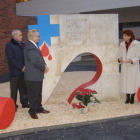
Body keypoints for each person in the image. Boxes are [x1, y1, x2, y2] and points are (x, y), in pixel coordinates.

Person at [24, 29, 50, 119]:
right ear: (32, 37)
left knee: (38, 93)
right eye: (38, 36)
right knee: (33, 94)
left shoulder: (34, 45)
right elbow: (35, 61)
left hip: (36, 75)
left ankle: (39, 108)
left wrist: (44, 65)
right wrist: (43, 68)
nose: (39, 38)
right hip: (32, 75)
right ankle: (32, 111)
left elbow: (39, 58)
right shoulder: (30, 47)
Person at [5, 29, 29, 111]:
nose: (22, 37)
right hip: (15, 72)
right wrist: (21, 67)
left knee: (24, 88)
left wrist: (26, 66)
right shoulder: (9, 45)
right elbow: (11, 59)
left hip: (24, 71)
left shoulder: (23, 45)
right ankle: (13, 105)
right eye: (20, 35)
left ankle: (24, 103)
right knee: (14, 90)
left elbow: (26, 57)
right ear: (14, 36)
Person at [117, 29, 140, 104]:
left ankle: (132, 97)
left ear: (129, 36)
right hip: (124, 65)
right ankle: (127, 97)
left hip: (132, 66)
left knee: (132, 81)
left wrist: (132, 60)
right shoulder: (122, 44)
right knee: (126, 81)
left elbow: (138, 55)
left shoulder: (136, 44)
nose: (123, 37)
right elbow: (119, 54)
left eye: (125, 35)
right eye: (123, 35)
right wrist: (119, 59)